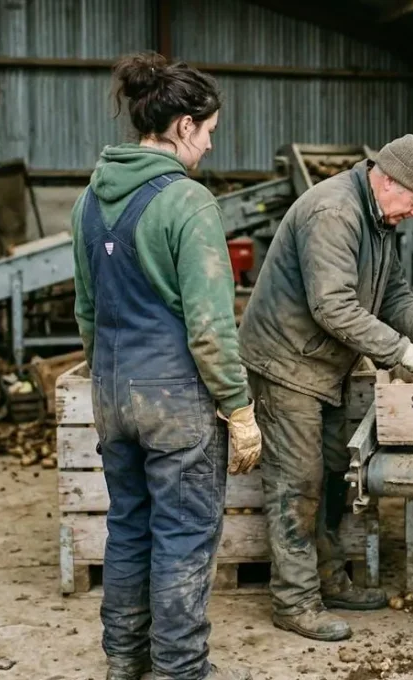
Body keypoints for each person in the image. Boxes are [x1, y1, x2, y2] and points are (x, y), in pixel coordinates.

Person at [238, 134, 413, 641]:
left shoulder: (378, 217)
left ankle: (328, 579)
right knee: (297, 481)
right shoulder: (335, 213)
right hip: (286, 364)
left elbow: (391, 293)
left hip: (326, 366)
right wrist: (404, 353)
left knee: (329, 477)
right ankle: (295, 602)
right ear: (387, 179)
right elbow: (333, 306)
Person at [71, 51, 261, 680]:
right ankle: (181, 669)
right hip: (175, 402)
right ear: (182, 125)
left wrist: (110, 381)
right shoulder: (188, 203)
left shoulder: (88, 202)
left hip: (112, 393)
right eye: (207, 131)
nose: (208, 144)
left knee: (129, 527)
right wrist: (237, 408)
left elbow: (87, 312)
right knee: (183, 534)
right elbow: (210, 329)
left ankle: (123, 661)